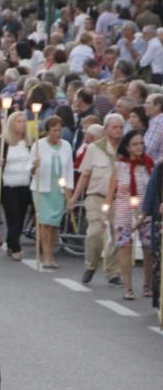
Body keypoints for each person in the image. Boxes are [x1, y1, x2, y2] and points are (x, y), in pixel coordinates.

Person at [69, 114, 123, 285]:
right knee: (95, 232)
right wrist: (74, 197)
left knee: (117, 235)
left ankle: (113, 272)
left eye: (121, 127)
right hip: (96, 196)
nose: (119, 131)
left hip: (117, 199)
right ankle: (91, 264)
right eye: (115, 127)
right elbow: (85, 175)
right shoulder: (94, 148)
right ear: (106, 129)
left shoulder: (125, 149)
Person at [108, 130, 154, 300]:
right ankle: (127, 287)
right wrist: (107, 211)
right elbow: (111, 190)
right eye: (135, 144)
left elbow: (155, 189)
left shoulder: (149, 164)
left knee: (149, 248)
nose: (139, 147)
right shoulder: (120, 166)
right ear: (127, 147)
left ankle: (147, 284)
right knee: (124, 247)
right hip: (124, 211)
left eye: (141, 143)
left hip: (145, 211)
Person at [29, 116, 74, 269]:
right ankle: (47, 256)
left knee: (55, 224)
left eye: (59, 130)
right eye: (54, 130)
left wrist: (69, 190)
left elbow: (69, 169)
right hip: (42, 189)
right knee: (45, 223)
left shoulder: (66, 146)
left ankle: (52, 253)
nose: (57, 133)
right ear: (47, 131)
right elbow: (30, 170)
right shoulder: (38, 145)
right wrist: (34, 167)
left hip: (58, 189)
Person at [0, 111, 31, 261]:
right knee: (13, 216)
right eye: (19, 121)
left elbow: (31, 162)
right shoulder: (2, 142)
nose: (23, 124)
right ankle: (15, 246)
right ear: (12, 124)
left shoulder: (29, 143)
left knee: (21, 217)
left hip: (24, 184)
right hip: (8, 184)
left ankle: (13, 242)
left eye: (24, 121)